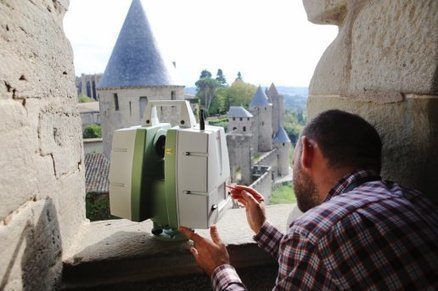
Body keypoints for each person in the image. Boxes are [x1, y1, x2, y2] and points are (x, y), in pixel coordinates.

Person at [179, 109, 438, 290]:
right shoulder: (417, 201)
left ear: (308, 152)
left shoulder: (314, 231)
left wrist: (220, 268)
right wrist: (264, 230)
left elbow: (318, 243)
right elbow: (327, 263)